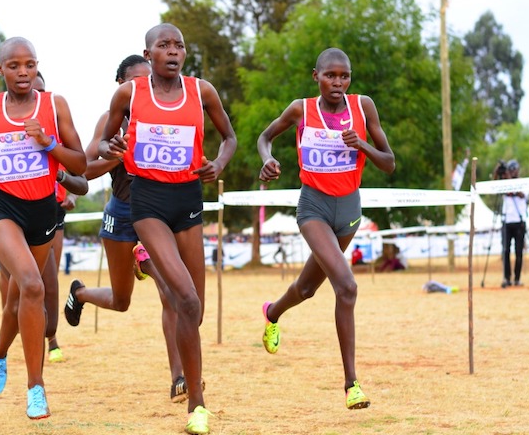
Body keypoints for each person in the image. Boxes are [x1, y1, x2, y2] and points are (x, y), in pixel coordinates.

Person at [97, 25, 237, 435]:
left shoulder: (202, 91)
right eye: (164, 46)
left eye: (178, 45)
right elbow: (104, 143)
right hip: (147, 202)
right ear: (149, 53)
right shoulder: (129, 94)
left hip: (188, 199)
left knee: (196, 308)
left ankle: (187, 381)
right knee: (186, 298)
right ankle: (197, 403)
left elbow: (228, 137)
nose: (173, 51)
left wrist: (219, 164)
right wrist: (114, 148)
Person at [0, 37, 86, 420]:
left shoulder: (54, 105)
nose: (23, 72)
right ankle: (36, 389)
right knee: (31, 284)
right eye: (14, 66)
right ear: (1, 70)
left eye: (29, 64)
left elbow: (80, 166)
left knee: (16, 300)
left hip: (43, 210)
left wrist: (48, 144)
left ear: (37, 66)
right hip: (2, 209)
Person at [257, 47, 395, 410]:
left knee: (305, 288)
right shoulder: (301, 108)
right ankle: (352, 384)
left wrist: (360, 143)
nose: (338, 82)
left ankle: (272, 313)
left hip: (349, 210)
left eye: (344, 76)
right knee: (346, 286)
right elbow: (265, 136)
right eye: (330, 75)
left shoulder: (363, 107)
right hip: (313, 208)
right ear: (315, 76)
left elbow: (389, 163)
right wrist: (268, 158)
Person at [65, 54, 189, 403]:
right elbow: (82, 172)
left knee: (171, 292)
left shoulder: (167, 113)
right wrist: (117, 156)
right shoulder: (110, 120)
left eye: (147, 81)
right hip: (120, 213)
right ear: (120, 85)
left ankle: (178, 377)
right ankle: (81, 293)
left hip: (156, 215)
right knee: (121, 301)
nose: (142, 88)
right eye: (134, 82)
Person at [499, 159, 528, 288]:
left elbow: (520, 194)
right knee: (505, 250)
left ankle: (517, 278)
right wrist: (498, 171)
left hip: (519, 222)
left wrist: (509, 178)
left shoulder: (524, 184)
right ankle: (506, 278)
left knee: (518, 251)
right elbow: (496, 184)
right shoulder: (505, 183)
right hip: (506, 221)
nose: (512, 171)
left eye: (513, 169)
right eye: (510, 169)